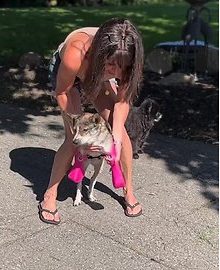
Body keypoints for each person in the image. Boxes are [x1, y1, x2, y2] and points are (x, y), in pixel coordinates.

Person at [38, 18, 144, 225]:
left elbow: (123, 101)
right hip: (69, 74)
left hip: (96, 75)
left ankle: (128, 190)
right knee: (74, 140)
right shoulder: (77, 50)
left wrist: (115, 139)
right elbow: (63, 91)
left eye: (122, 67)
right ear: (100, 53)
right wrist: (80, 137)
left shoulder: (131, 59)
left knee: (120, 132)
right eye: (112, 64)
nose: (116, 72)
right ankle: (49, 196)